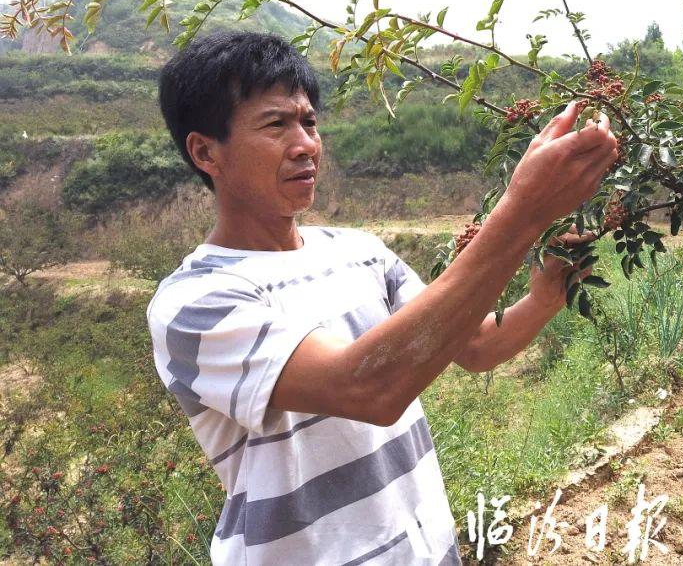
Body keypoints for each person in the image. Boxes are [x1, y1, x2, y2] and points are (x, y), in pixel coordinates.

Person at [146, 30, 619, 565]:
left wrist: (546, 294)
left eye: (309, 122)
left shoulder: (359, 253)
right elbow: (369, 388)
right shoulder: (194, 301)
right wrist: (524, 209)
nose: (305, 144)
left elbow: (477, 345)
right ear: (205, 150)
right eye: (276, 124)